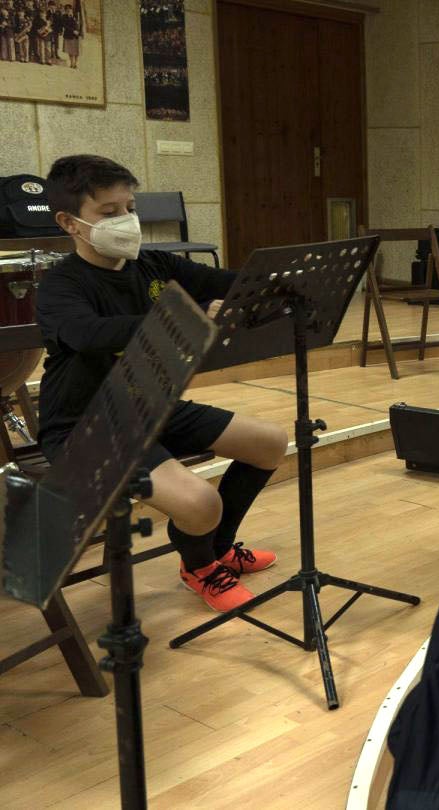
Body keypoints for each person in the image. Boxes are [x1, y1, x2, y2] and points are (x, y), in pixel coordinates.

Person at [36, 155, 287, 612]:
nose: (126, 221)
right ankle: (200, 568)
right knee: (200, 502)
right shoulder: (60, 285)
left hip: (150, 404)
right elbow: (85, 334)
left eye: (129, 208)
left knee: (269, 442)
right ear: (69, 223)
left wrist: (283, 280)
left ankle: (220, 547)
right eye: (109, 213)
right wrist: (181, 319)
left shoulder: (152, 266)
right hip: (86, 426)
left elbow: (228, 282)